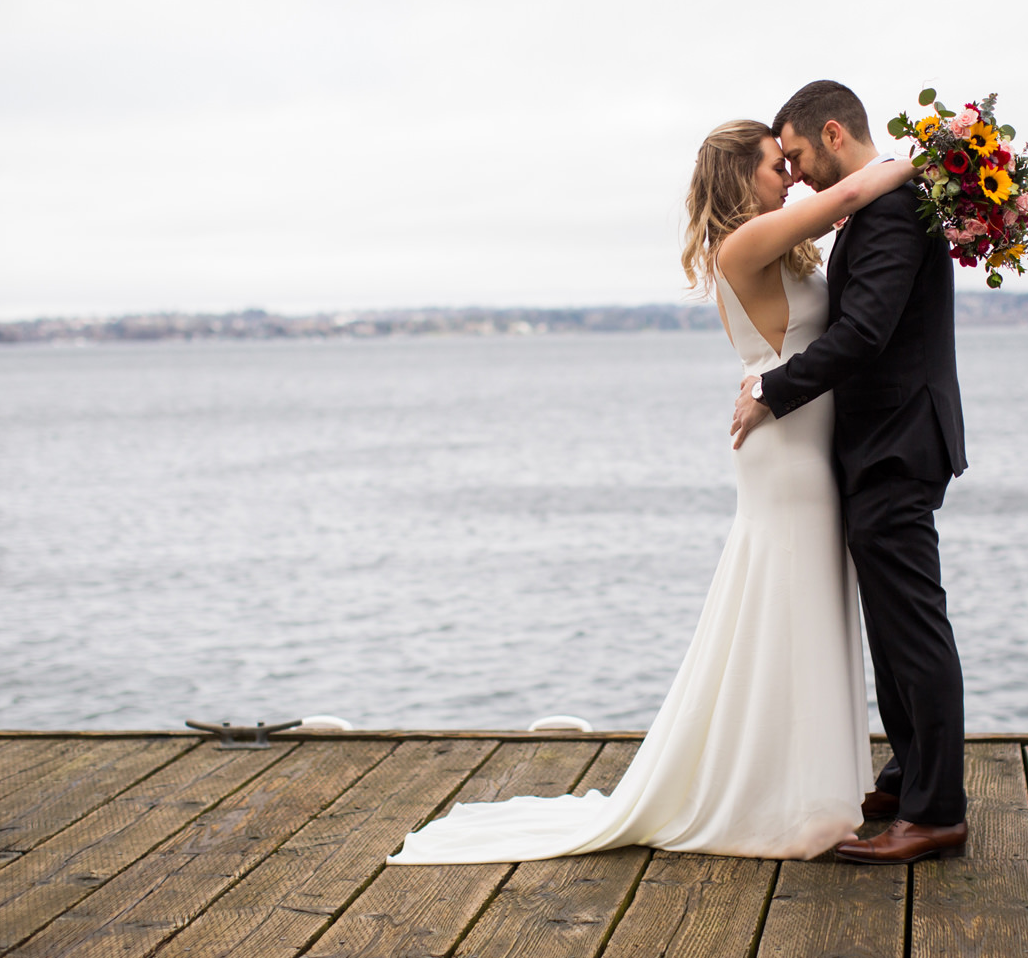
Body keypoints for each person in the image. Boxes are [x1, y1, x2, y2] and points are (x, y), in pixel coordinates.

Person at [386, 114, 921, 864]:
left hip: (805, 438)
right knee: (792, 600)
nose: (791, 176)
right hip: (787, 453)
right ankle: (791, 798)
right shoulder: (743, 244)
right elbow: (852, 194)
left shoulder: (776, 242)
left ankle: (806, 783)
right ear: (740, 176)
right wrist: (933, 159)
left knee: (805, 602)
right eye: (777, 165)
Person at [731, 80, 969, 864]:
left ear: (833, 132)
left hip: (899, 443)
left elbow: (865, 332)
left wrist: (771, 390)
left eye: (797, 154)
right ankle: (908, 777)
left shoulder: (891, 210)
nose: (795, 173)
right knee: (893, 629)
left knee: (913, 629)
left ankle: (937, 812)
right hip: (880, 444)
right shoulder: (874, 209)